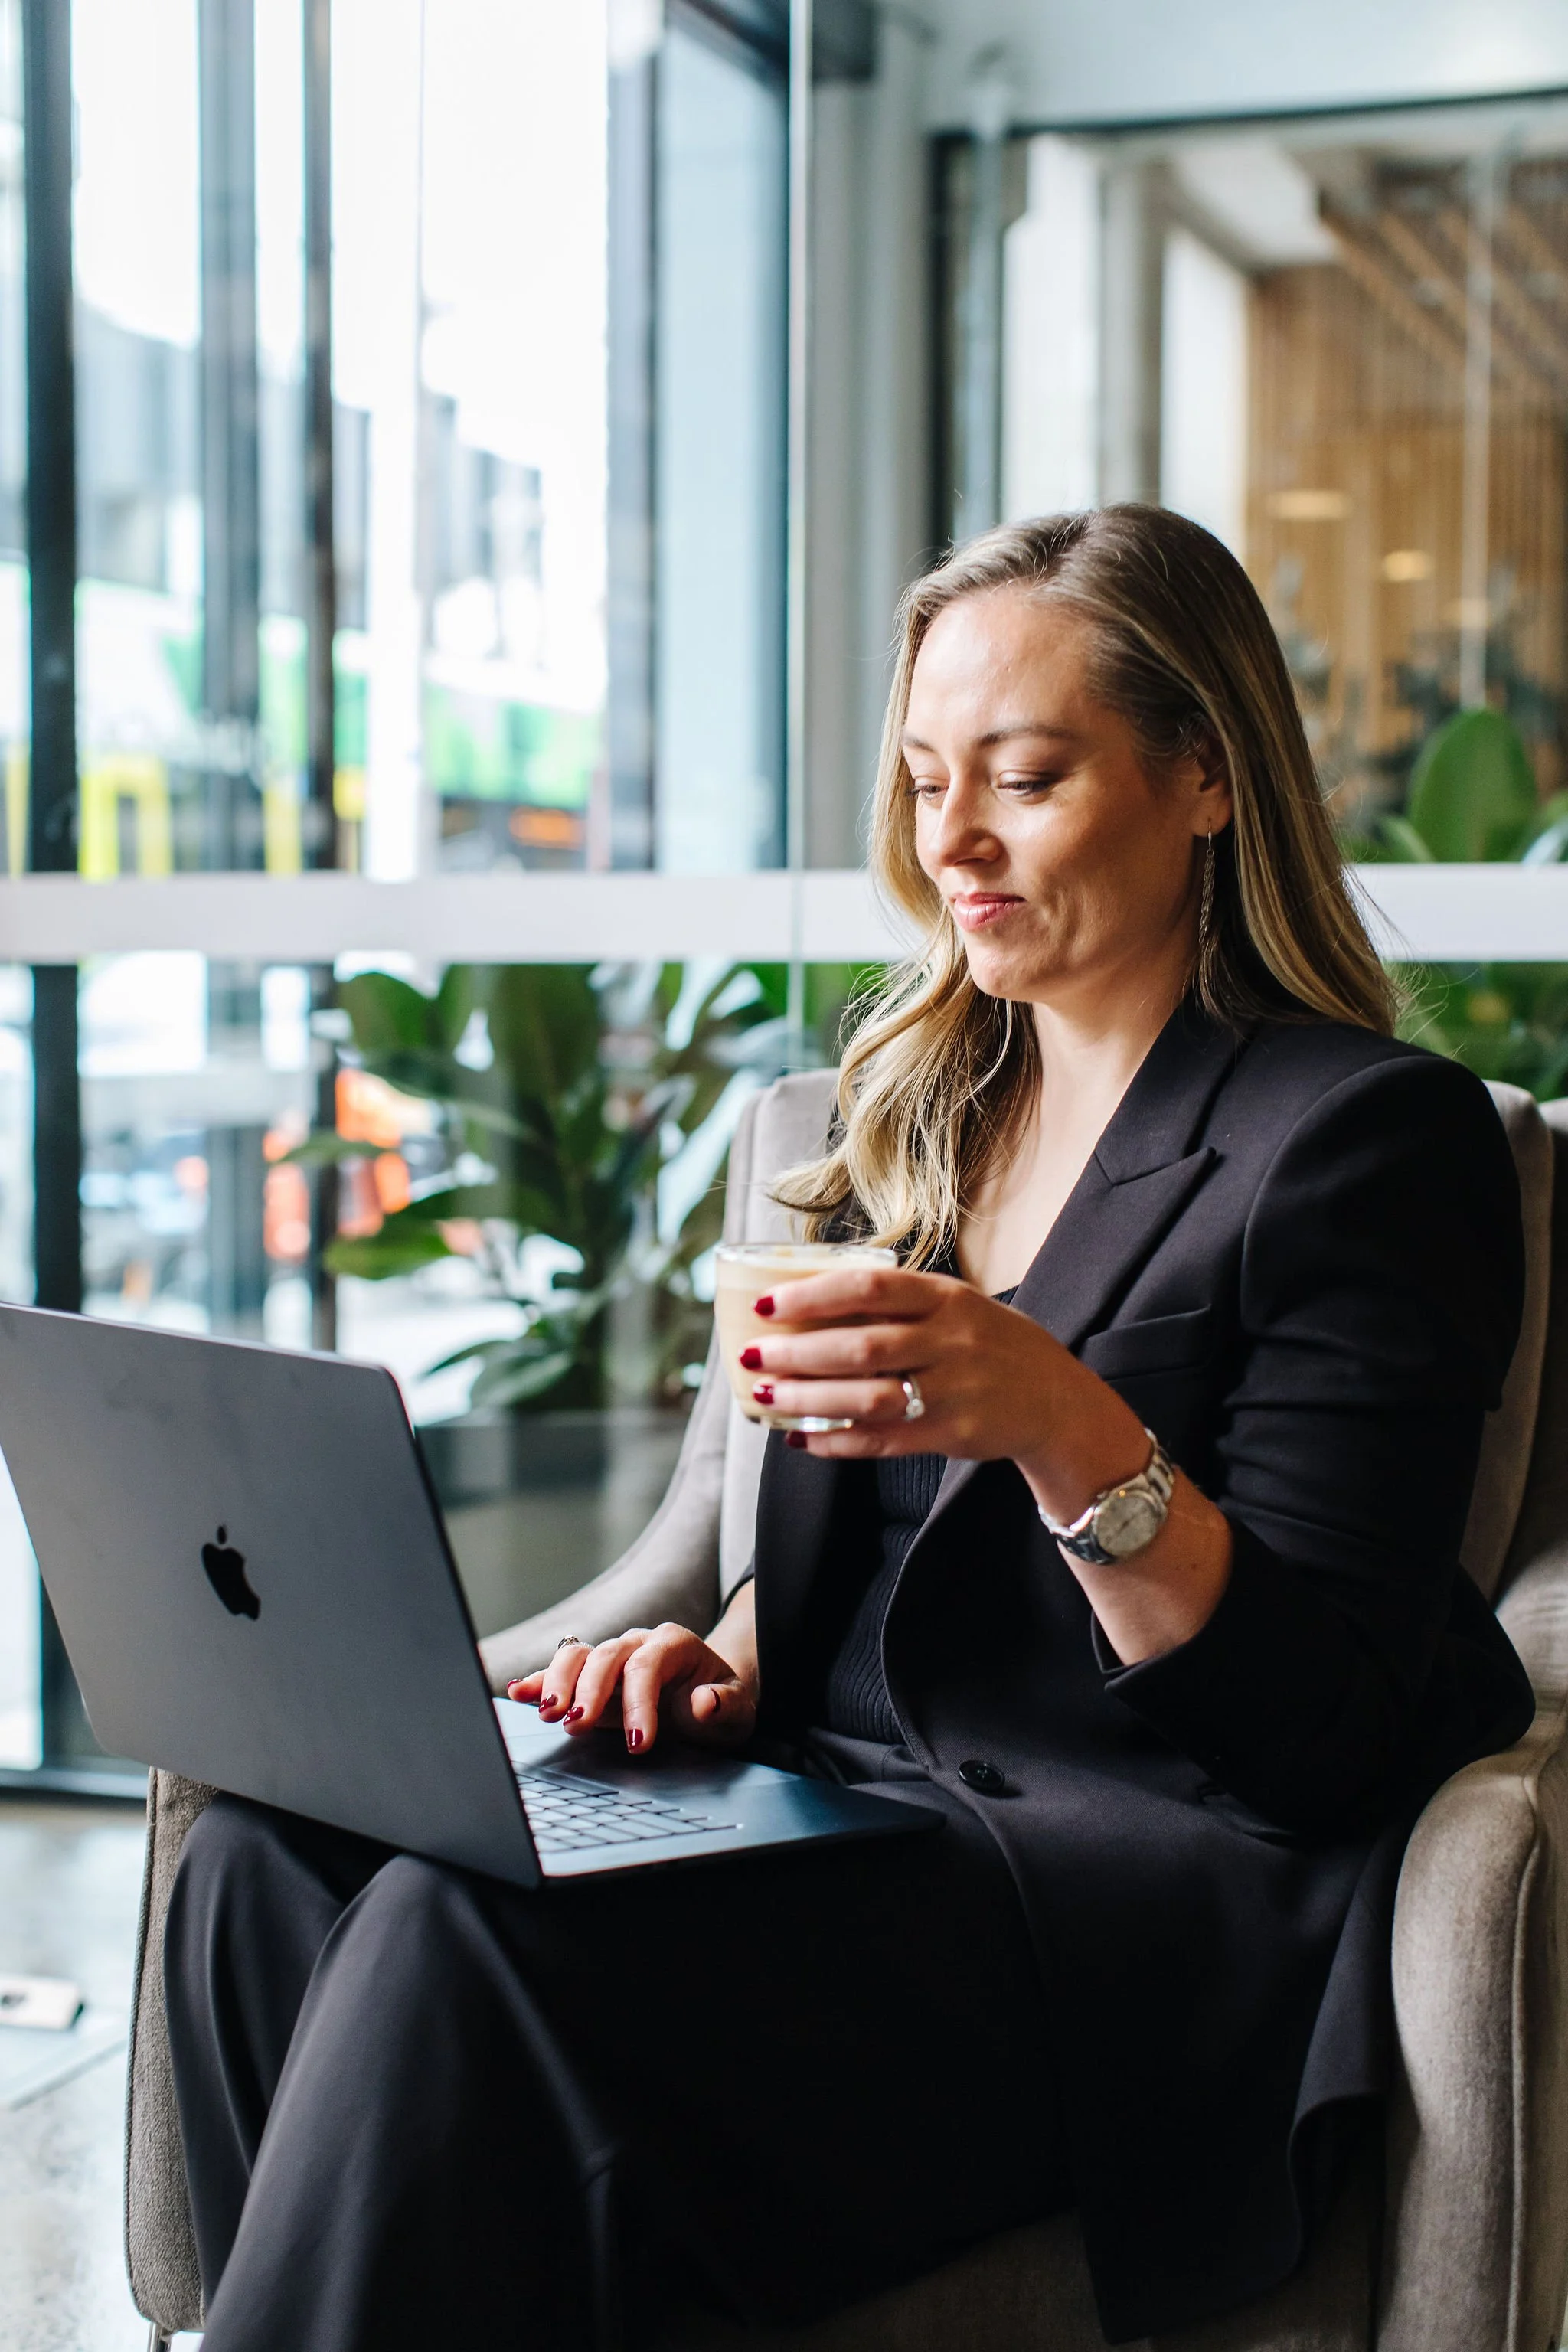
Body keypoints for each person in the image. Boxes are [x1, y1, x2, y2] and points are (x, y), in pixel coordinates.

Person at [165, 506, 1533, 2352]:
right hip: (830, 1812)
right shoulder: (905, 1113)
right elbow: (868, 1559)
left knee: (454, 1933)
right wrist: (724, 1655)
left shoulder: (1365, 1140)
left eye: (1026, 779)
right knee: (267, 1856)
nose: (951, 841)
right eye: (924, 780)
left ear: (1205, 777)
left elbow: (1323, 1733)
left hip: (1103, 1906)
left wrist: (1064, 1426)